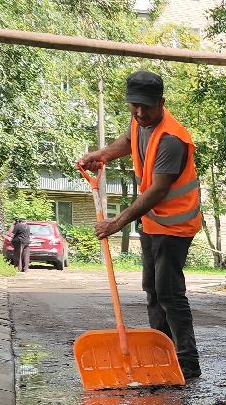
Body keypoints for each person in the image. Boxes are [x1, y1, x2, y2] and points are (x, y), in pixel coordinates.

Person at [76, 70, 203, 383]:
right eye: (135, 108)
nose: (141, 114)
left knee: (169, 292)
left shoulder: (173, 139)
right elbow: (129, 139)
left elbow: (157, 190)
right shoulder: (139, 121)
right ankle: (162, 354)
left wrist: (116, 223)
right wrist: (102, 154)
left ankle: (187, 363)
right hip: (152, 221)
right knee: (151, 289)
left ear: (161, 102)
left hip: (175, 224)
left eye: (147, 108)